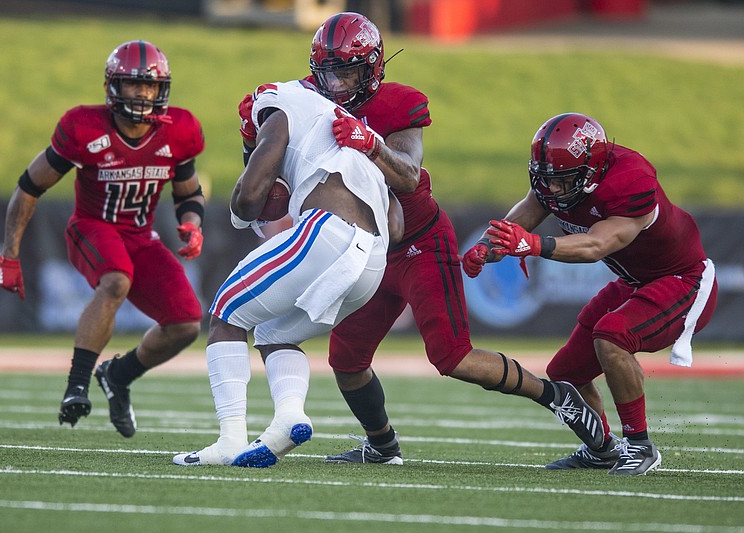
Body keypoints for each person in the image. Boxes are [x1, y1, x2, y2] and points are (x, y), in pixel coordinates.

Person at [232, 12, 605, 466]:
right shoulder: (301, 98)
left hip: (418, 243)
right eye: (330, 71)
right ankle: (382, 444)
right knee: (347, 360)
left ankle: (555, 395)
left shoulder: (399, 105)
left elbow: (407, 176)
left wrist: (369, 143)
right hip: (361, 249)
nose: (339, 84)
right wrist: (257, 130)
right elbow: (269, 150)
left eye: (349, 70)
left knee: (453, 358)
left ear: (373, 67)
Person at [462, 112, 718, 475]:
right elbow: (531, 207)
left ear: (592, 171)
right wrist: (489, 246)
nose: (552, 189)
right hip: (634, 280)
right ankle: (601, 449)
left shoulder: (631, 180)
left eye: (562, 181)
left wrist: (534, 244)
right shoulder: (556, 180)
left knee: (612, 335)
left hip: (682, 279)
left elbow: (596, 246)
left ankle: (640, 445)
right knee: (567, 371)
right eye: (546, 180)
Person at [172, 79, 395, 468]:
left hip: (328, 231)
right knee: (274, 331)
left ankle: (229, 440)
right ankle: (289, 416)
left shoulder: (275, 102)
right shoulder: (351, 133)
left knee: (227, 311)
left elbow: (248, 196)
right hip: (373, 260)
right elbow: (399, 221)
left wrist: (244, 210)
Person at [0, 40, 207, 438]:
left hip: (142, 236)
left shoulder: (180, 131)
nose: (142, 94)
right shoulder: (84, 128)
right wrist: (10, 254)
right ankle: (77, 383)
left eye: (150, 86)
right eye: (133, 85)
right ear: (114, 88)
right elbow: (28, 187)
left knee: (186, 323)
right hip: (92, 227)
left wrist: (192, 223)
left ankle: (119, 375)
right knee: (116, 280)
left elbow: (188, 193)